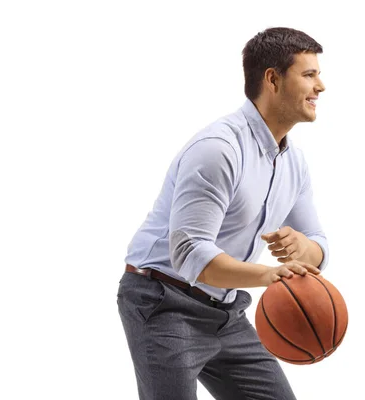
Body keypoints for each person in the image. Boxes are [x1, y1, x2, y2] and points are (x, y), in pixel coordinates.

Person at [117, 27, 329, 400]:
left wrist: (303, 249)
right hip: (164, 300)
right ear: (273, 79)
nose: (321, 86)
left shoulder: (293, 162)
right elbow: (189, 253)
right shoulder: (219, 149)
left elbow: (318, 246)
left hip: (226, 311)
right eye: (309, 74)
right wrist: (270, 274)